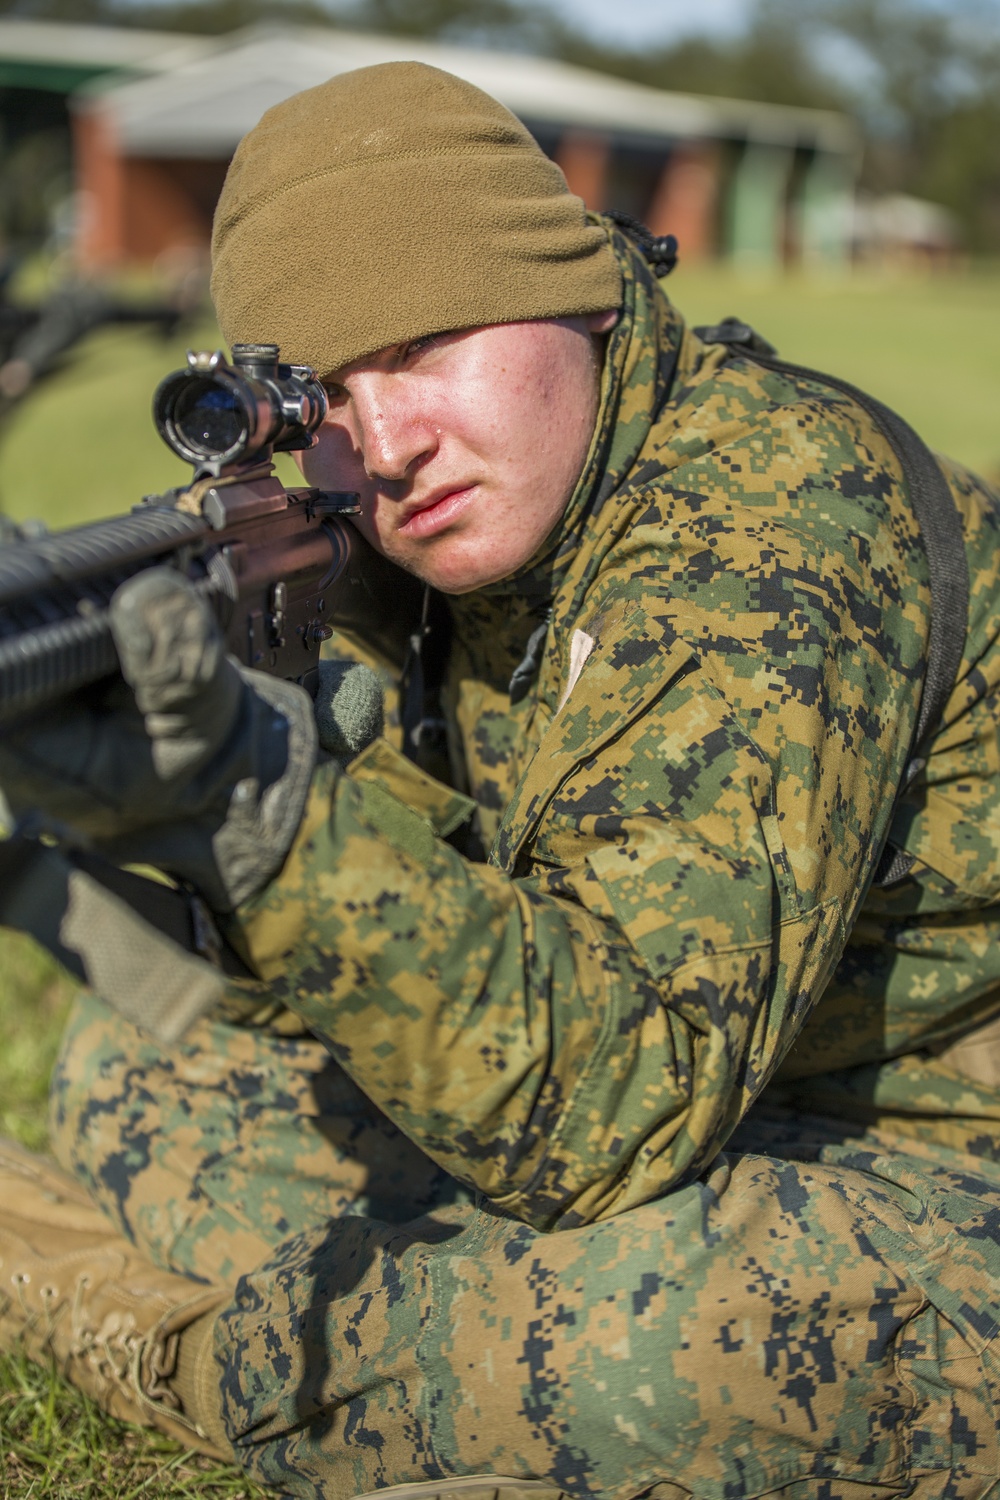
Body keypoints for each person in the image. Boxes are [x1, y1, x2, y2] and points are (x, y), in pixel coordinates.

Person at [2, 58, 1000, 1500]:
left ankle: (226, 1365)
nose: (390, 444)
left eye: (423, 342)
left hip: (924, 1127)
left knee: (633, 1349)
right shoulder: (461, 537)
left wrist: (263, 812)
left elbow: (619, 1103)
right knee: (132, 1080)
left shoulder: (769, 527)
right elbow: (431, 944)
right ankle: (397, 1351)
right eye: (324, 396)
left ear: (578, 290)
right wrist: (264, 754)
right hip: (734, 1089)